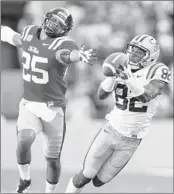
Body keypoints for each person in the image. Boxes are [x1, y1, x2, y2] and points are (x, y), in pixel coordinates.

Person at [1, 7, 97, 193]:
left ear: (65, 30)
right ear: (45, 18)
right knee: (24, 140)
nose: (54, 25)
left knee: (52, 160)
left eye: (59, 24)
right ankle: (24, 179)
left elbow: (66, 56)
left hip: (53, 109)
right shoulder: (30, 31)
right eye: (53, 20)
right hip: (30, 103)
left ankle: (50, 192)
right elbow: (18, 40)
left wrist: (80, 56)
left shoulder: (64, 44)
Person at [65, 34, 171, 193]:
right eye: (133, 49)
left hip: (132, 139)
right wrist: (111, 78)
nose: (133, 54)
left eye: (139, 52)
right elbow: (101, 95)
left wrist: (129, 80)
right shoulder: (121, 64)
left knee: (99, 181)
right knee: (85, 176)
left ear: (151, 57)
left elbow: (147, 95)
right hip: (111, 130)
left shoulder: (158, 70)